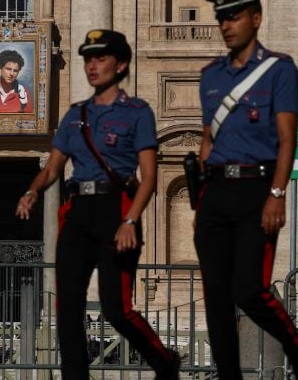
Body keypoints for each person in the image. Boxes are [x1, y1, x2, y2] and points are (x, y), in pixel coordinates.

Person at [16, 29, 180, 380]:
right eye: (88, 58)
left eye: (100, 58)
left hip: (117, 207)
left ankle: (164, 360)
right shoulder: (75, 115)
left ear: (121, 65)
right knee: (67, 307)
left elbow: (149, 176)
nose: (92, 65)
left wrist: (131, 220)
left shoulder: (137, 112)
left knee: (116, 308)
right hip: (78, 209)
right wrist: (32, 192)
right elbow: (53, 167)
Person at [194, 0, 298, 379]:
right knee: (215, 299)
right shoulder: (210, 75)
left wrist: (277, 194)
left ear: (255, 18)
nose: (226, 24)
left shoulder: (279, 69)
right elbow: (207, 138)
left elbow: (287, 139)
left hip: (257, 190)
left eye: (233, 15)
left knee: (249, 289)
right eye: (221, 18)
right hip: (215, 191)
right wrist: (200, 195)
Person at [0, 49, 33, 113]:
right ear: (0, 67)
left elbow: (28, 120)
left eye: (15, 71)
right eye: (8, 69)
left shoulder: (24, 93)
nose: (11, 74)